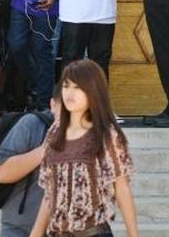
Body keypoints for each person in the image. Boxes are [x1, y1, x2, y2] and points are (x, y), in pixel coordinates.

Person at [29, 60, 139, 237]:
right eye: (66, 86)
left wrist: (134, 235)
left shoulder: (105, 134)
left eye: (77, 88)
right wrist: (35, 233)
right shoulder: (55, 132)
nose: (69, 93)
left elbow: (121, 187)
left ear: (93, 91)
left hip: (93, 232)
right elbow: (50, 191)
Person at [0, 97, 59, 237]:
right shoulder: (32, 124)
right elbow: (0, 174)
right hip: (18, 229)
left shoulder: (93, 135)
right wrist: (44, 151)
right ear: (53, 104)